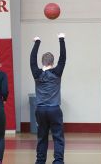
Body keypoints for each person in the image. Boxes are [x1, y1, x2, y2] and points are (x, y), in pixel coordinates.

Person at [30, 33, 66, 164]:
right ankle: (58, 161)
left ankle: (40, 161)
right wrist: (61, 39)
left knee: (42, 137)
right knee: (58, 137)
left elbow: (32, 59)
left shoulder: (37, 73)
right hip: (54, 109)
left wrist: (37, 42)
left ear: (42, 62)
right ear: (53, 62)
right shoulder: (57, 72)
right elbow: (63, 58)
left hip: (40, 110)